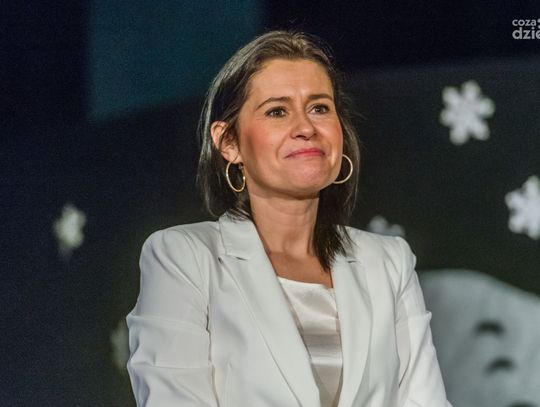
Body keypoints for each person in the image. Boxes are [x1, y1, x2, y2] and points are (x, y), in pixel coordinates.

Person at [126, 30, 452, 407]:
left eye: (320, 108)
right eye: (277, 111)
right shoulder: (183, 257)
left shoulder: (389, 261)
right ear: (229, 142)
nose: (306, 128)